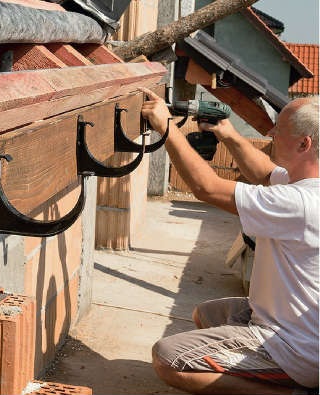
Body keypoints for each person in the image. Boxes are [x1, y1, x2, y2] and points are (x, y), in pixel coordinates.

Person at [140, 87, 319, 395]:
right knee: (207, 314)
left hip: (295, 348)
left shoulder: (300, 203)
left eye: (281, 130)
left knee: (169, 359)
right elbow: (264, 173)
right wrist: (228, 133)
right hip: (292, 327)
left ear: (304, 144)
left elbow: (206, 188)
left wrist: (167, 127)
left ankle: (289, 392)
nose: (272, 132)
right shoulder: (303, 183)